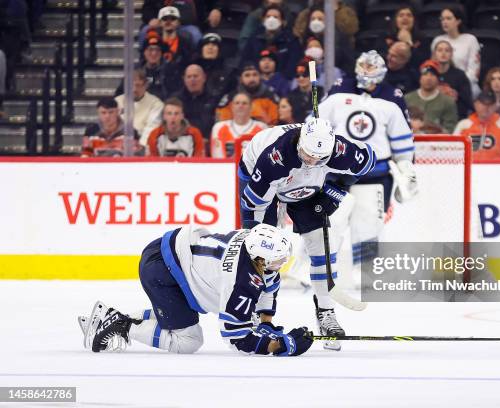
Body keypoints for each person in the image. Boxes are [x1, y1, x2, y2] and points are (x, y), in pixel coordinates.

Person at [237, 117, 377, 349]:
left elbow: (368, 160)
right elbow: (253, 204)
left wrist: (337, 188)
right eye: (307, 154)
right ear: (300, 142)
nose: (311, 160)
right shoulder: (275, 158)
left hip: (304, 183)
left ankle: (325, 311)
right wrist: (257, 238)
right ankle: (258, 310)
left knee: (322, 247)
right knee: (262, 249)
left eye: (318, 158)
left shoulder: (339, 150)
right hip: (259, 175)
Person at [80, 224, 314, 357]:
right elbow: (236, 337)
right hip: (163, 272)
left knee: (182, 318)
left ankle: (110, 317)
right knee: (189, 340)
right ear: (259, 259)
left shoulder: (251, 241)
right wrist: (278, 347)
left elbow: (268, 283)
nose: (281, 264)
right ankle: (124, 325)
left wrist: (265, 322)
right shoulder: (241, 282)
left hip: (169, 253)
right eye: (276, 261)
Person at [316, 50, 416, 271]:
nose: (366, 70)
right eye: (363, 65)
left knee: (369, 227)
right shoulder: (339, 90)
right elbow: (314, 127)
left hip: (375, 174)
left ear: (381, 70)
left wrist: (406, 169)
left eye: (371, 66)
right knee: (328, 223)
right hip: (335, 174)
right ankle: (319, 270)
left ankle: (366, 274)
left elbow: (402, 141)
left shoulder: (392, 97)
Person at [453, 91, 500, 160]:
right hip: (469, 168)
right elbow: (453, 150)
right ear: (476, 104)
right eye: (483, 104)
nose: (486, 107)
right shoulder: (464, 125)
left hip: (497, 169)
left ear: (495, 106)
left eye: (490, 104)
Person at [241, 4, 302, 79]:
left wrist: (278, 80)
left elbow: (292, 64)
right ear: (263, 20)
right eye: (268, 16)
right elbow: (246, 60)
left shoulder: (291, 40)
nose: (271, 19)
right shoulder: (255, 37)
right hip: (257, 80)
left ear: (283, 21)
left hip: (283, 82)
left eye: (276, 17)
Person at [431, 7, 481, 96]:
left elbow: (473, 71)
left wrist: (456, 86)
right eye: (442, 19)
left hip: (466, 86)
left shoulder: (470, 40)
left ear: (458, 21)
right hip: (441, 87)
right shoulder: (437, 40)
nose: (444, 22)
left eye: (448, 18)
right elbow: (433, 67)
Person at [404, 60, 458, 133]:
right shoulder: (407, 99)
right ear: (420, 78)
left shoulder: (448, 102)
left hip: (437, 142)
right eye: (425, 74)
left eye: (432, 75)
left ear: (438, 79)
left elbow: (450, 129)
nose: (428, 78)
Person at [115, 69, 164, 147]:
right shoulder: (117, 102)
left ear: (146, 85)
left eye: (138, 85)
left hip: (143, 146)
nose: (134, 89)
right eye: (131, 85)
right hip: (118, 145)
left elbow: (151, 129)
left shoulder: (156, 104)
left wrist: (139, 147)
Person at [210, 92, 267, 158]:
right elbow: (217, 156)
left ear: (251, 107)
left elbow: (264, 155)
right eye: (237, 103)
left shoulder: (262, 128)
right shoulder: (219, 127)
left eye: (244, 103)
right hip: (226, 167)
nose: (240, 106)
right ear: (232, 107)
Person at [172, 64, 217, 139]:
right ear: (184, 79)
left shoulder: (214, 99)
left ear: (204, 78)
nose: (192, 79)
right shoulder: (175, 100)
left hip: (207, 141)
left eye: (195, 76)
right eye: (189, 77)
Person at [431, 39, 473, 119]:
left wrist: (454, 95)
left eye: (447, 50)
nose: (443, 53)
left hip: (454, 116)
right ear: (434, 54)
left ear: (451, 54)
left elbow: (467, 101)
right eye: (440, 50)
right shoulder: (428, 73)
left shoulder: (460, 75)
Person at [192, 32, 237, 103]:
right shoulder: (192, 69)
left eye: (214, 45)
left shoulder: (227, 70)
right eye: (207, 44)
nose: (210, 47)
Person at [384, 4, 427, 69]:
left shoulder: (422, 39)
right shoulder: (385, 37)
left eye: (409, 15)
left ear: (414, 20)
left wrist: (409, 42)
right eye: (401, 15)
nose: (405, 18)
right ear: (395, 20)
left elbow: (421, 62)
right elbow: (381, 59)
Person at [287, 58, 324, 122]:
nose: (301, 78)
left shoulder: (321, 92)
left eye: (305, 75)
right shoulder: (291, 95)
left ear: (312, 76)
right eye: (298, 76)